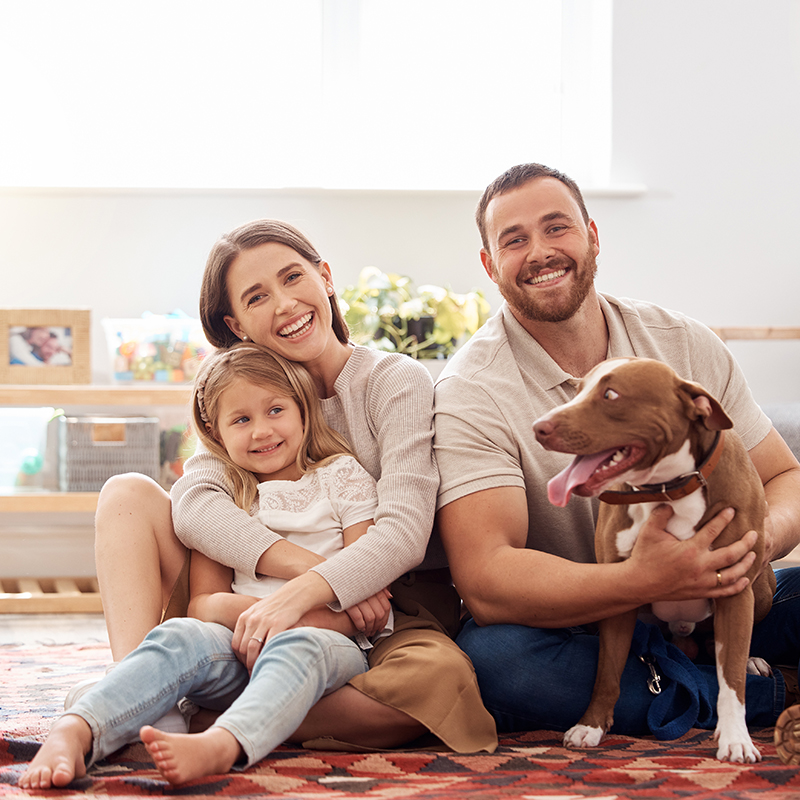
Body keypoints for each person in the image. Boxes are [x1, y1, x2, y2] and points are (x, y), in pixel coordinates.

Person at [89, 220, 496, 754]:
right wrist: (314, 574)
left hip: (383, 607)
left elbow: (403, 531)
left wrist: (330, 592)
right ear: (236, 324)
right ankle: (140, 692)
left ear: (325, 278)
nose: (284, 304)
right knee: (125, 495)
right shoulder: (237, 396)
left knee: (438, 683)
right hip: (250, 592)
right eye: (258, 296)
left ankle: (204, 716)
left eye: (293, 278)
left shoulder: (392, 381)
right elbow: (194, 505)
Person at [434, 163, 800, 745]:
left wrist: (745, 551)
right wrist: (641, 579)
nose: (541, 251)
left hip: (728, 601)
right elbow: (486, 579)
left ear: (592, 236)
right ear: (489, 265)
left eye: (557, 228)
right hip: (588, 628)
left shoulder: (681, 342)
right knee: (496, 658)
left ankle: (693, 680)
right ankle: (770, 690)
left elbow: (784, 476)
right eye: (514, 239)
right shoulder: (469, 392)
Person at [21, 342, 391, 789]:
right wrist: (261, 617)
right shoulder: (226, 499)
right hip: (233, 648)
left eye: (275, 410)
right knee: (179, 636)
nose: (261, 431)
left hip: (325, 646)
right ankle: (78, 727)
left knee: (299, 647)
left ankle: (223, 743)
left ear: (303, 409)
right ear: (216, 435)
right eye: (241, 420)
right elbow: (202, 607)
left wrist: (295, 618)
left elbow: (362, 591)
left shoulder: (342, 476)